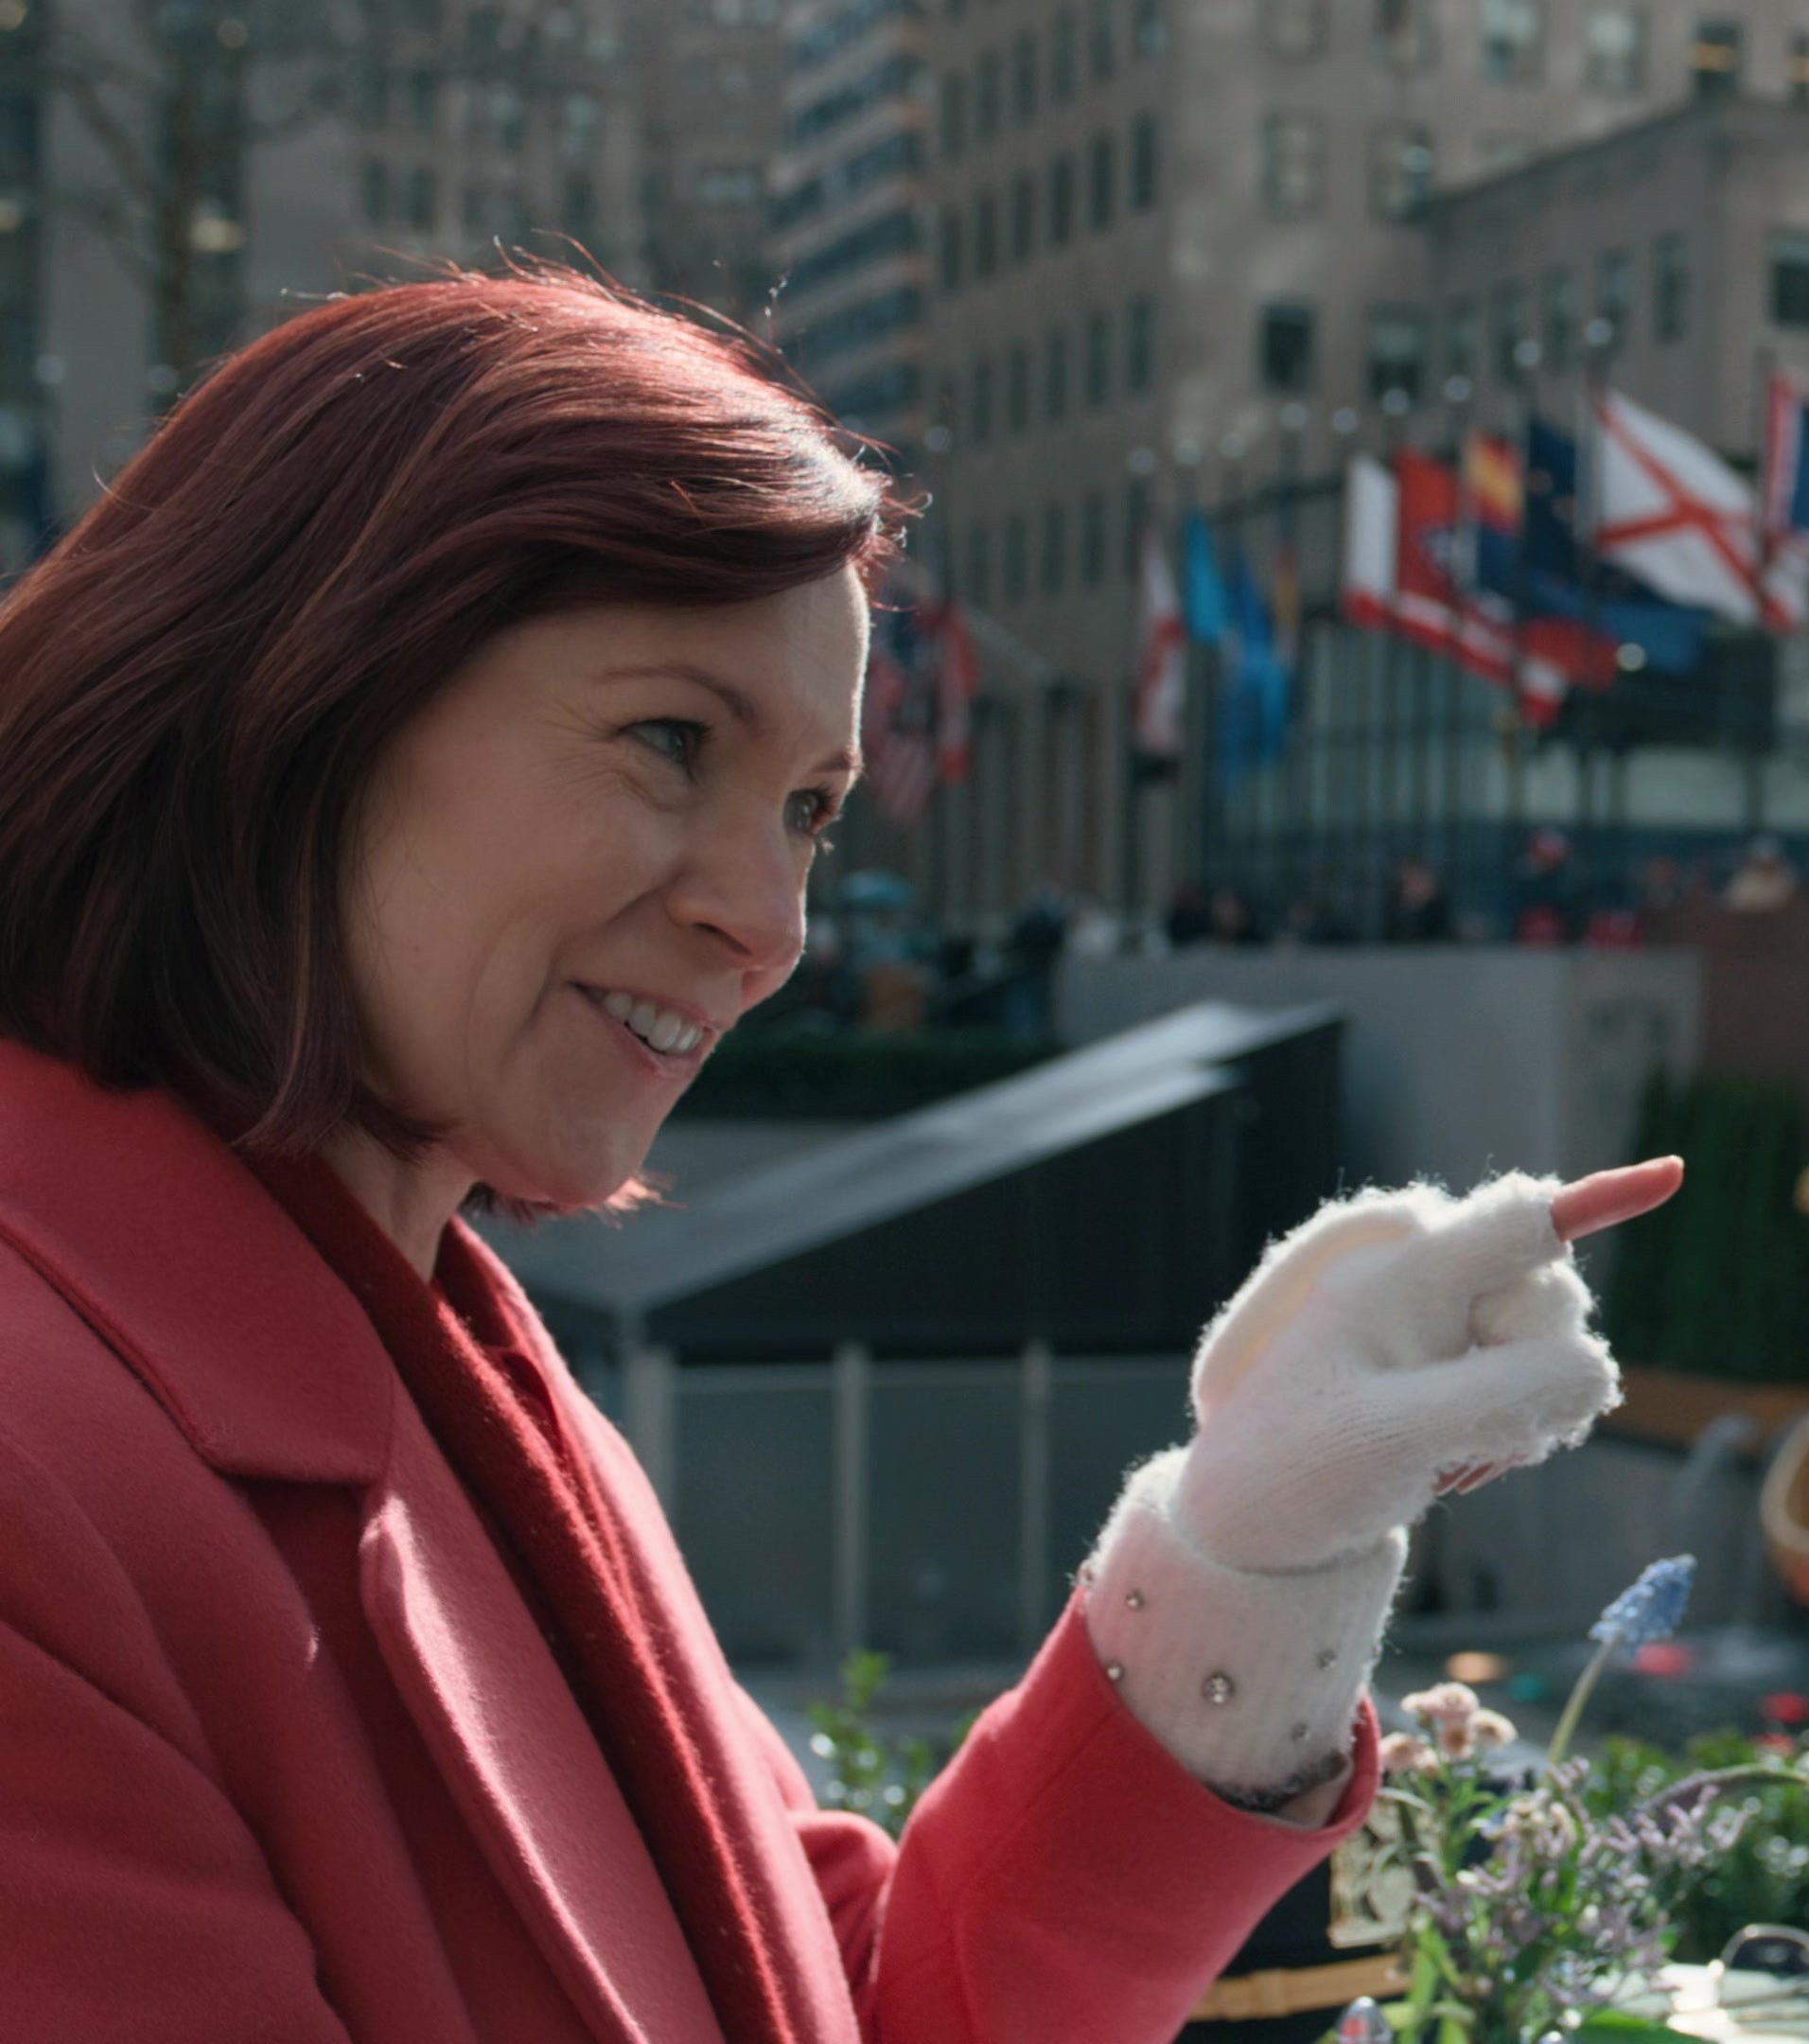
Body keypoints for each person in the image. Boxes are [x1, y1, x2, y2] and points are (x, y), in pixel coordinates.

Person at [0, 270, 1677, 2044]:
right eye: (671, 741)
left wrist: (1256, 1548)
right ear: (295, 689)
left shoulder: (460, 1370)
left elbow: (842, 2002)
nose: (770, 925)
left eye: (808, 808)